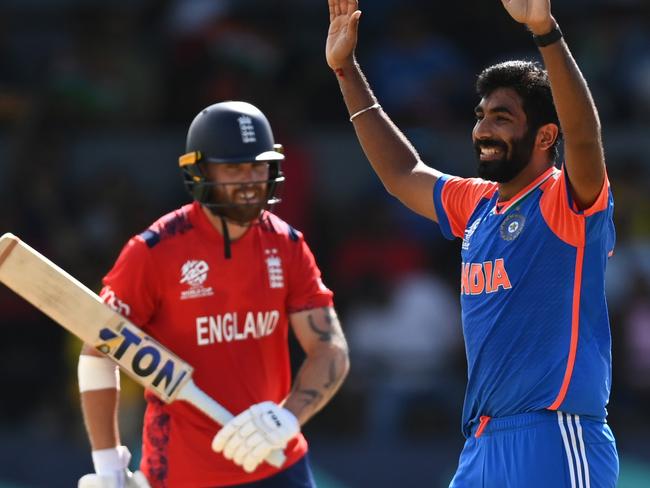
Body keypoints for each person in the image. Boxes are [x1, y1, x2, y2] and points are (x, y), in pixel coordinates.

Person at [326, 1, 617, 486]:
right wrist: (345, 69)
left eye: (502, 117)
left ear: (546, 135)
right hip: (481, 443)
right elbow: (402, 174)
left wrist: (545, 31)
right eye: (481, 115)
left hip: (556, 435)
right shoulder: (478, 205)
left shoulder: (564, 201)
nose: (482, 128)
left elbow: (585, 139)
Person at [77, 101, 350, 488]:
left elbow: (330, 349)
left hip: (279, 464)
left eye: (258, 166)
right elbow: (98, 355)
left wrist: (287, 418)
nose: (250, 181)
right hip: (182, 475)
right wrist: (108, 467)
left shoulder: (286, 244)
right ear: (199, 172)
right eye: (233, 168)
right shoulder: (154, 251)